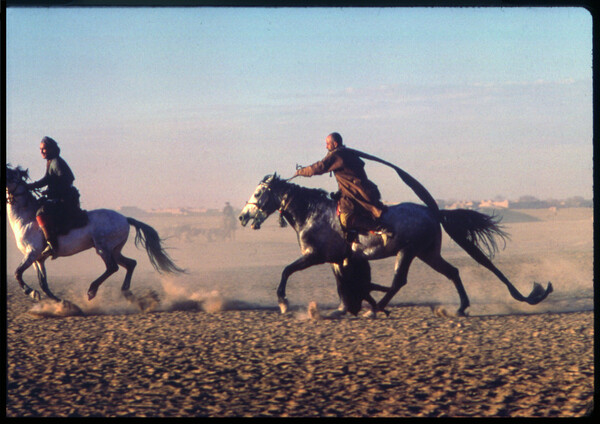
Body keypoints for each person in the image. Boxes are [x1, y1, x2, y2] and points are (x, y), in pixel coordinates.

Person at [294, 132, 394, 243]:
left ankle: (381, 227)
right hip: (354, 191)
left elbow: (319, 167)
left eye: (328, 144)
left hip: (358, 193)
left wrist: (300, 172)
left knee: (346, 219)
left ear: (335, 144)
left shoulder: (337, 155)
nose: (326, 146)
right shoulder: (344, 152)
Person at [27, 136, 82, 257]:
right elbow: (48, 179)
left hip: (65, 199)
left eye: (44, 149)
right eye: (40, 149)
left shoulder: (56, 162)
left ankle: (52, 245)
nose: (41, 151)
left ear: (51, 149)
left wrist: (52, 191)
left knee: (40, 212)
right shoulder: (51, 161)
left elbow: (67, 180)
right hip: (59, 196)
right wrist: (32, 186)